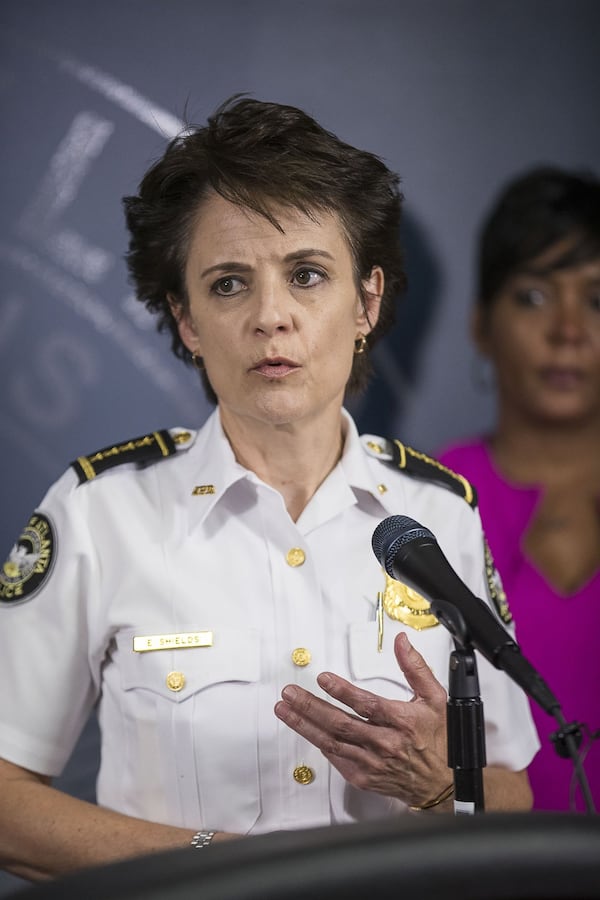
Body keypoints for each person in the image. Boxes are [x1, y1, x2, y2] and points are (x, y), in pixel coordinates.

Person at [0, 96, 538, 883]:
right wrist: (211, 865)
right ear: (184, 320)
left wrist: (435, 788)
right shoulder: (98, 513)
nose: (270, 317)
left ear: (366, 302)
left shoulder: (437, 513)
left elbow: (513, 785)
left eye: (308, 275)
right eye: (227, 285)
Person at [437, 166, 600, 812]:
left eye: (597, 300)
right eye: (534, 297)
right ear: (481, 325)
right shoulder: (424, 502)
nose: (567, 331)